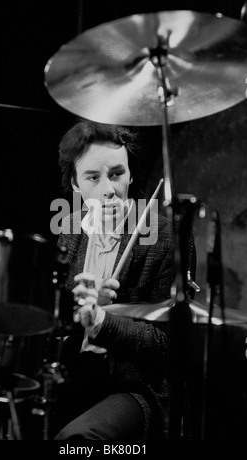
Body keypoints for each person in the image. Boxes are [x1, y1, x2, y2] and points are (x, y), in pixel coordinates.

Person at [52, 119, 195, 441]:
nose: (108, 189)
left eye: (117, 174)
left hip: (135, 386)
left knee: (77, 440)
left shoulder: (165, 236)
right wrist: (75, 311)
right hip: (73, 374)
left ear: (130, 174)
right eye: (93, 177)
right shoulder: (69, 230)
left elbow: (169, 345)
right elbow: (55, 327)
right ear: (75, 185)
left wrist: (104, 321)